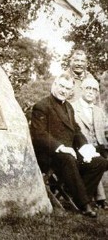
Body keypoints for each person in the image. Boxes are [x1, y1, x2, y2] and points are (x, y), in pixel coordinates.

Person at [30, 73, 108, 217]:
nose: (63, 90)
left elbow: (76, 131)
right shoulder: (41, 106)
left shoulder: (68, 107)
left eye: (67, 88)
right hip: (49, 155)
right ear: (55, 85)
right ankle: (84, 204)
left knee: (99, 162)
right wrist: (61, 147)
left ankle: (79, 196)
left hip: (68, 154)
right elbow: (39, 135)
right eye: (61, 86)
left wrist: (85, 148)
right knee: (68, 158)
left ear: (71, 91)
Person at [71, 77, 108, 209]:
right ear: (81, 89)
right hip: (81, 148)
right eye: (88, 88)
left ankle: (98, 198)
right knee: (98, 161)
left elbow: (106, 130)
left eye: (94, 89)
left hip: (101, 146)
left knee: (100, 157)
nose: (91, 91)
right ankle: (98, 198)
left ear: (97, 93)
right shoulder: (72, 108)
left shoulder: (99, 111)